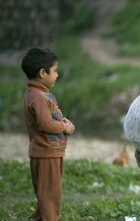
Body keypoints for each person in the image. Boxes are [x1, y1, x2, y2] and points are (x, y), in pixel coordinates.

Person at [21, 47, 75, 221]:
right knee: (50, 197)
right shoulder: (37, 96)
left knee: (48, 195)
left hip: (51, 153)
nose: (57, 75)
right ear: (43, 73)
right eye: (55, 71)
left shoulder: (42, 94)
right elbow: (46, 124)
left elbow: (53, 116)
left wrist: (65, 121)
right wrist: (64, 127)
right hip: (45, 154)